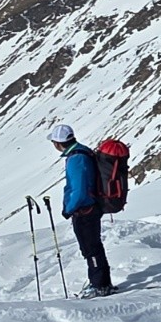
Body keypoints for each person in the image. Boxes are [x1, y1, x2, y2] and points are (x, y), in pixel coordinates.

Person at [49, 124, 113, 297]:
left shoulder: (76, 158)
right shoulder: (83, 152)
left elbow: (78, 188)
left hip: (85, 210)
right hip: (92, 206)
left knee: (90, 248)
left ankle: (100, 285)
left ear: (57, 143)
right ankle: (102, 282)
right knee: (94, 246)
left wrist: (69, 208)